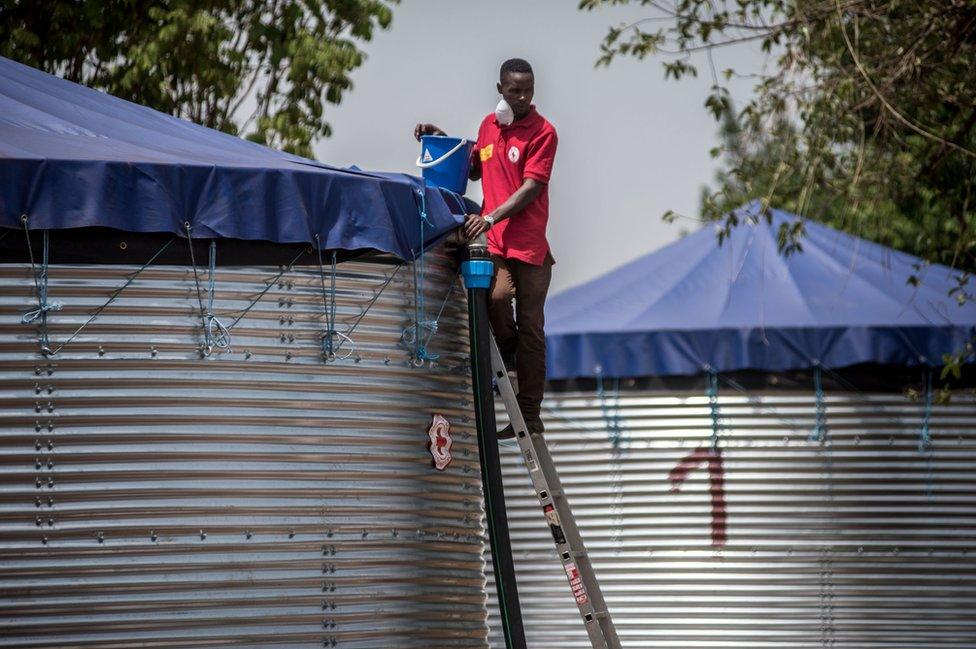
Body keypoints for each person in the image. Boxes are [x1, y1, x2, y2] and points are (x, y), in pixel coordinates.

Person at [415, 58, 558, 439]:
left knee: (531, 327)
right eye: (515, 90)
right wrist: (442, 137)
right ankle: (509, 356)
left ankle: (528, 414)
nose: (523, 97)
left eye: (529, 89)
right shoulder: (488, 127)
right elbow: (475, 169)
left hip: (529, 248)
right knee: (494, 298)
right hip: (496, 242)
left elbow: (531, 188)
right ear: (501, 90)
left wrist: (491, 217)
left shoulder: (544, 132)